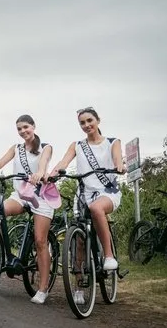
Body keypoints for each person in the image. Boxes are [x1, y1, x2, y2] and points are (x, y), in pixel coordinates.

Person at [0, 114, 53, 304]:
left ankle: (42, 289)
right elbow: (1, 162)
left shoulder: (45, 147)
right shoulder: (16, 149)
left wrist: (39, 174)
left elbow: (43, 165)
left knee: (40, 241)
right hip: (21, 195)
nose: (23, 131)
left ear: (34, 126)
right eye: (19, 129)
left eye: (26, 127)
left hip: (41, 196)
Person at [49, 107, 124, 301]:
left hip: (108, 192)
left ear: (98, 120)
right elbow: (63, 163)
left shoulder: (112, 142)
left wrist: (119, 165)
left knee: (97, 208)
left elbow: (117, 158)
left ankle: (108, 256)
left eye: (90, 120)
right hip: (83, 194)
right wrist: (53, 174)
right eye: (82, 123)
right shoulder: (77, 145)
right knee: (78, 241)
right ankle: (79, 287)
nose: (86, 125)